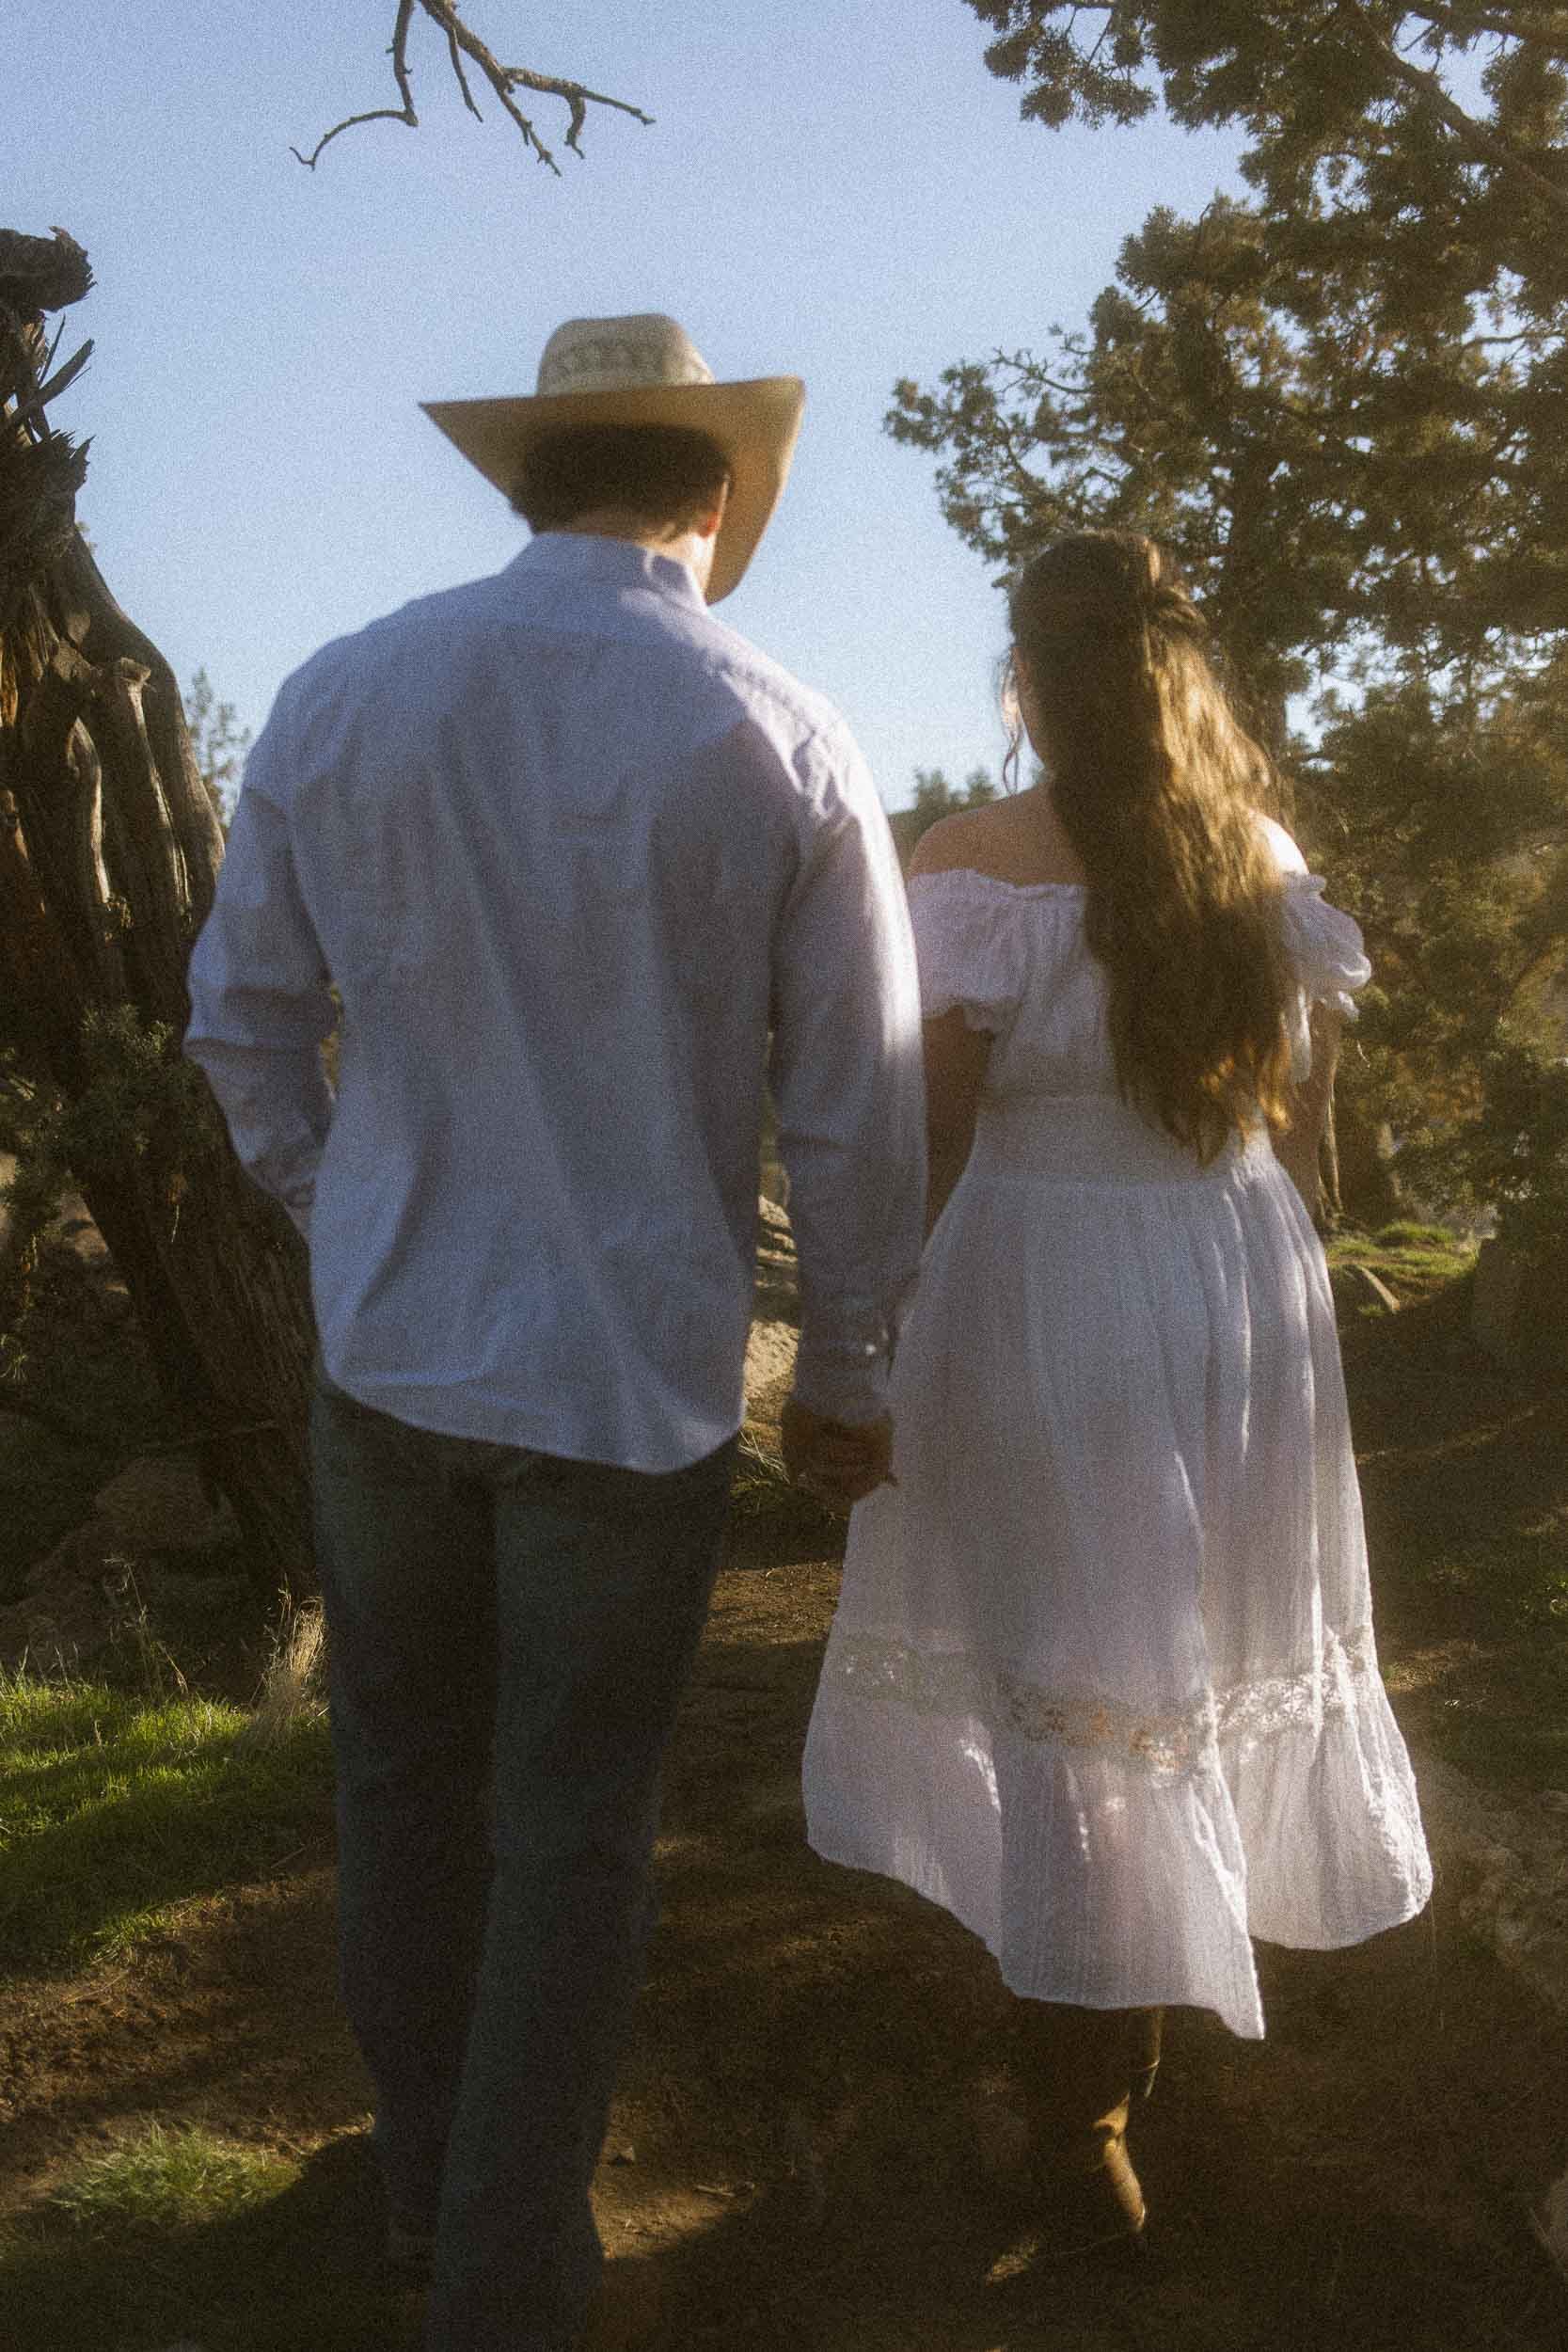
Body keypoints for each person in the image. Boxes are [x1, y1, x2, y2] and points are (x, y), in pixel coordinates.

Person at [184, 312, 924, 2351]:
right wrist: (847, 1377)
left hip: (392, 1359)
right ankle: (507, 2275)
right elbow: (857, 1100)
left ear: (531, 480)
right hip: (631, 1374)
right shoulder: (779, 727)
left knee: (401, 1788)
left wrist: (349, 1216)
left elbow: (239, 1019)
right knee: (571, 1825)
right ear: (708, 497)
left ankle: (434, 2196)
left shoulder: (344, 689)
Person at [802, 528, 1432, 2253]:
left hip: (1043, 1277)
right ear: (1181, 668)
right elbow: (1305, 1124)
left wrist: (861, 1339)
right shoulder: (1260, 857)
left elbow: (927, 1131)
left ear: (1028, 677)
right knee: (1187, 1647)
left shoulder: (975, 863)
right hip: (1231, 1266)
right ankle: (1129, 2036)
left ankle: (1086, 2105)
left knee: (1082, 1665)